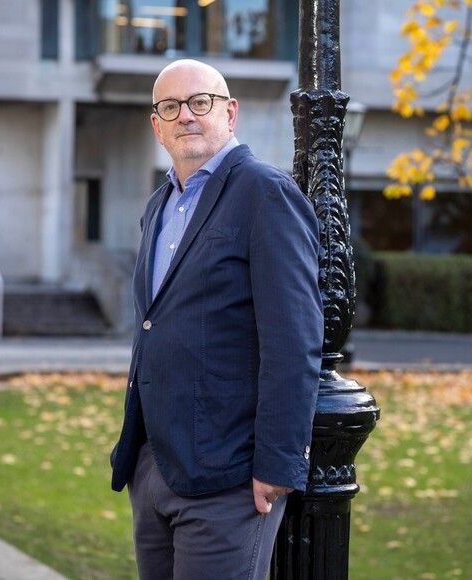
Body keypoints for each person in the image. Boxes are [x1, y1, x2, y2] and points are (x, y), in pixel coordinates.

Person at [109, 59, 324, 580]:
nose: (187, 116)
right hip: (155, 464)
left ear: (230, 112)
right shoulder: (160, 205)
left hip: (230, 476)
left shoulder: (264, 193)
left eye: (200, 102)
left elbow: (294, 341)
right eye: (171, 106)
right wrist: (138, 460)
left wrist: (276, 465)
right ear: (156, 125)